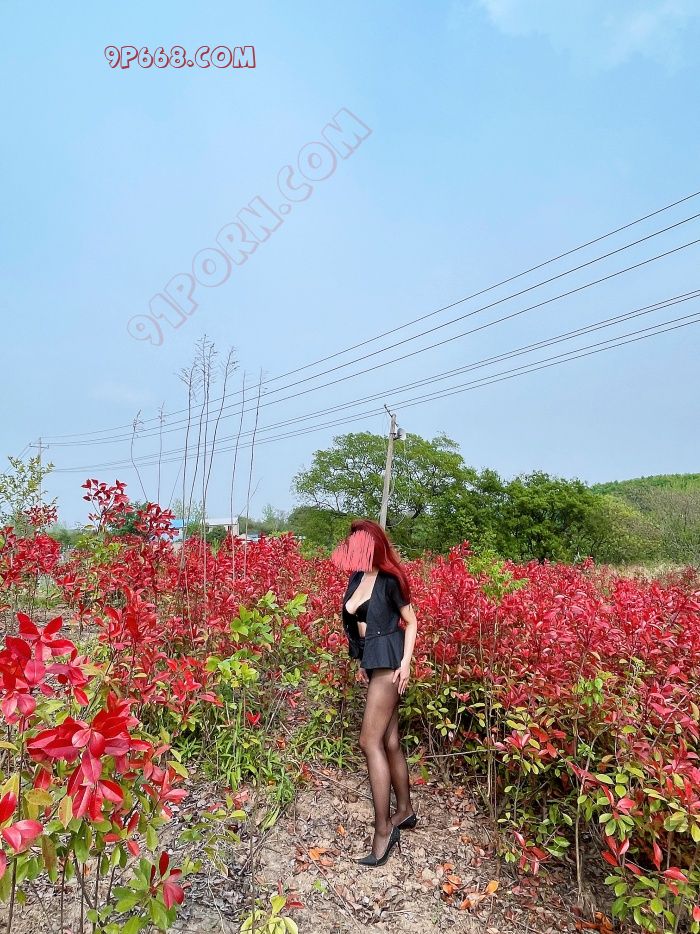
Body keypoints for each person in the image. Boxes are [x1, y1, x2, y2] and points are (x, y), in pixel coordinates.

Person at [339, 519, 419, 867]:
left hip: (390, 661)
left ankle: (384, 829)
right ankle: (405, 811)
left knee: (368, 742)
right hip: (373, 661)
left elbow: (411, 622)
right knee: (389, 741)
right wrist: (361, 661)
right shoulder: (357, 577)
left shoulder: (390, 579)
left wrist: (406, 663)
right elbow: (359, 624)